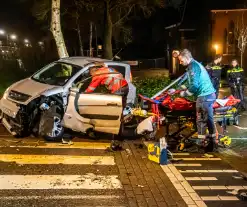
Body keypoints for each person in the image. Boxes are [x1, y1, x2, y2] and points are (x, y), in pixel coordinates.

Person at [177, 49, 217, 152]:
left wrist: (184, 94)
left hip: (204, 96)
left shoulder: (193, 67)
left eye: (181, 60)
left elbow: (194, 86)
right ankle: (211, 142)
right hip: (208, 95)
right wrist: (179, 88)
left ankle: (202, 144)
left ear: (186, 58)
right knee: (207, 119)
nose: (180, 63)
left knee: (201, 120)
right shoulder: (194, 65)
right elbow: (191, 82)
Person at [85, 63, 129, 151]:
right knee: (120, 113)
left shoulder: (97, 75)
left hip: (118, 90)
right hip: (125, 87)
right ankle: (119, 132)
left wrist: (81, 93)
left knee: (114, 113)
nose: (89, 74)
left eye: (89, 72)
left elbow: (89, 90)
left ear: (92, 70)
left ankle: (117, 137)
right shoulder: (105, 69)